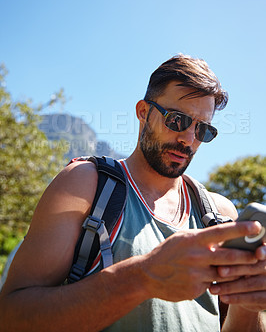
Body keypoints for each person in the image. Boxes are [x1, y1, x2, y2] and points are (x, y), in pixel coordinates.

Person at [0, 54, 265, 332]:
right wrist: (143, 277)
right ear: (143, 112)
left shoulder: (219, 214)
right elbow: (11, 317)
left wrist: (246, 300)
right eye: (177, 120)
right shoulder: (85, 184)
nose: (188, 139)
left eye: (203, 129)